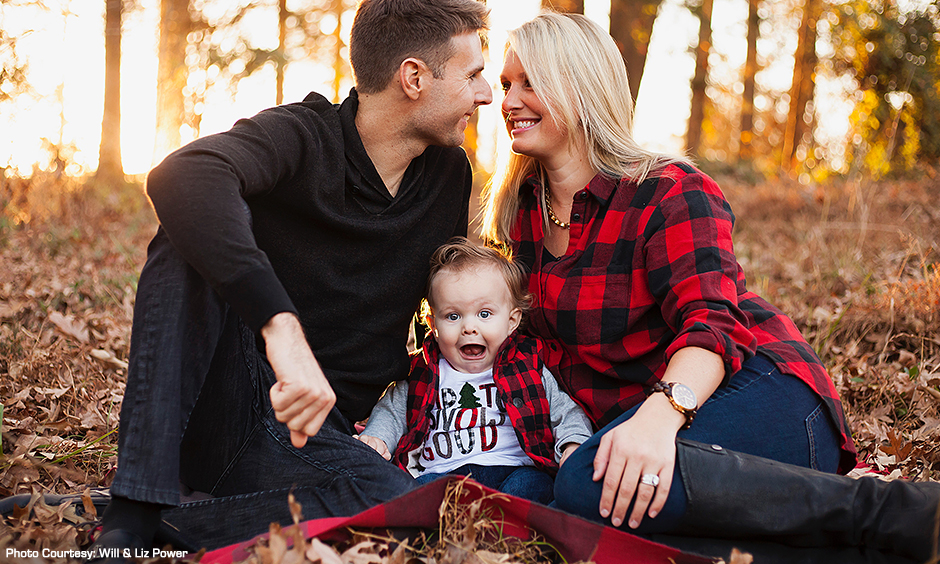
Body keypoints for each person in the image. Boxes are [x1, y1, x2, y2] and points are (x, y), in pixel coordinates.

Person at [481, 12, 939, 562]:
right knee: (571, 510)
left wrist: (660, 415)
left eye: (528, 83)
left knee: (583, 487)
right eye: (507, 85)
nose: (509, 100)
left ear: (578, 86)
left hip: (754, 393)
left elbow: (713, 325)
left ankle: (892, 510)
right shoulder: (518, 216)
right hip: (648, 437)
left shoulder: (666, 191)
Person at [89, 0, 493, 557]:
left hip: (315, 439)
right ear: (414, 77)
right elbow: (183, 174)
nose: (487, 94)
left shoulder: (449, 175)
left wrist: (394, 422)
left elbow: (440, 323)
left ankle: (162, 521)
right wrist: (282, 330)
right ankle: (134, 509)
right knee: (186, 237)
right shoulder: (303, 136)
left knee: (400, 505)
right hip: (226, 403)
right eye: (473, 75)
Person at [356, 238, 593, 504]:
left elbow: (566, 412)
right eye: (453, 316)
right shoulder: (423, 370)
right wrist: (376, 439)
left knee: (535, 484)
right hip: (443, 476)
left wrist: (573, 446)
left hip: (512, 470)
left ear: (512, 321)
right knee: (414, 494)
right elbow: (392, 412)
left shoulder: (528, 365)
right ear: (432, 324)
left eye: (484, 314)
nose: (469, 328)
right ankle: (450, 533)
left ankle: (499, 529)